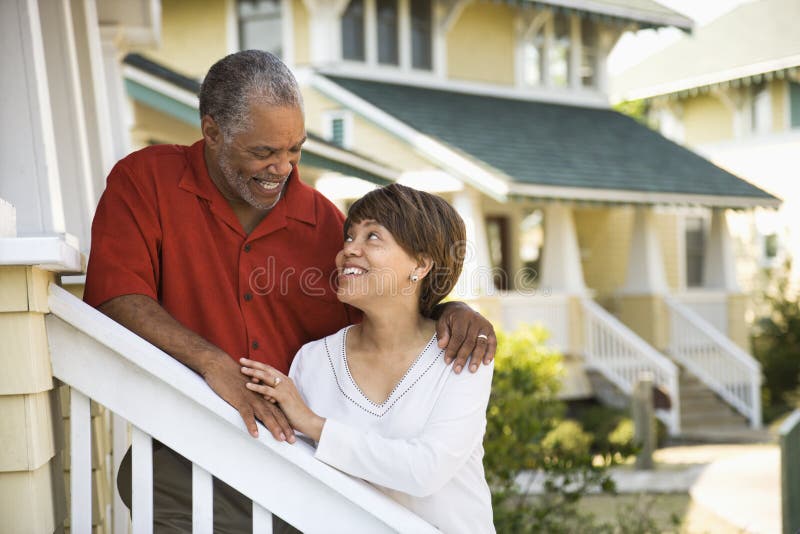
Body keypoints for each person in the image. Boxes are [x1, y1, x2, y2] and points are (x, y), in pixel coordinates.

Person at [83, 50, 496, 531]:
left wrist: (450, 307)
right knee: (150, 477)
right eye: (263, 152)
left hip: (295, 462)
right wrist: (212, 363)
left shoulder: (326, 224)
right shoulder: (146, 181)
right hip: (194, 437)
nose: (281, 168)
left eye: (294, 150)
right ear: (212, 131)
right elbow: (115, 294)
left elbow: (387, 307)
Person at [240, 184, 495, 533]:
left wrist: (313, 424)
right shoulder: (312, 361)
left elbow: (424, 471)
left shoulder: (463, 353)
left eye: (372, 236)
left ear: (420, 264)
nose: (348, 250)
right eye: (349, 237)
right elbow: (298, 478)